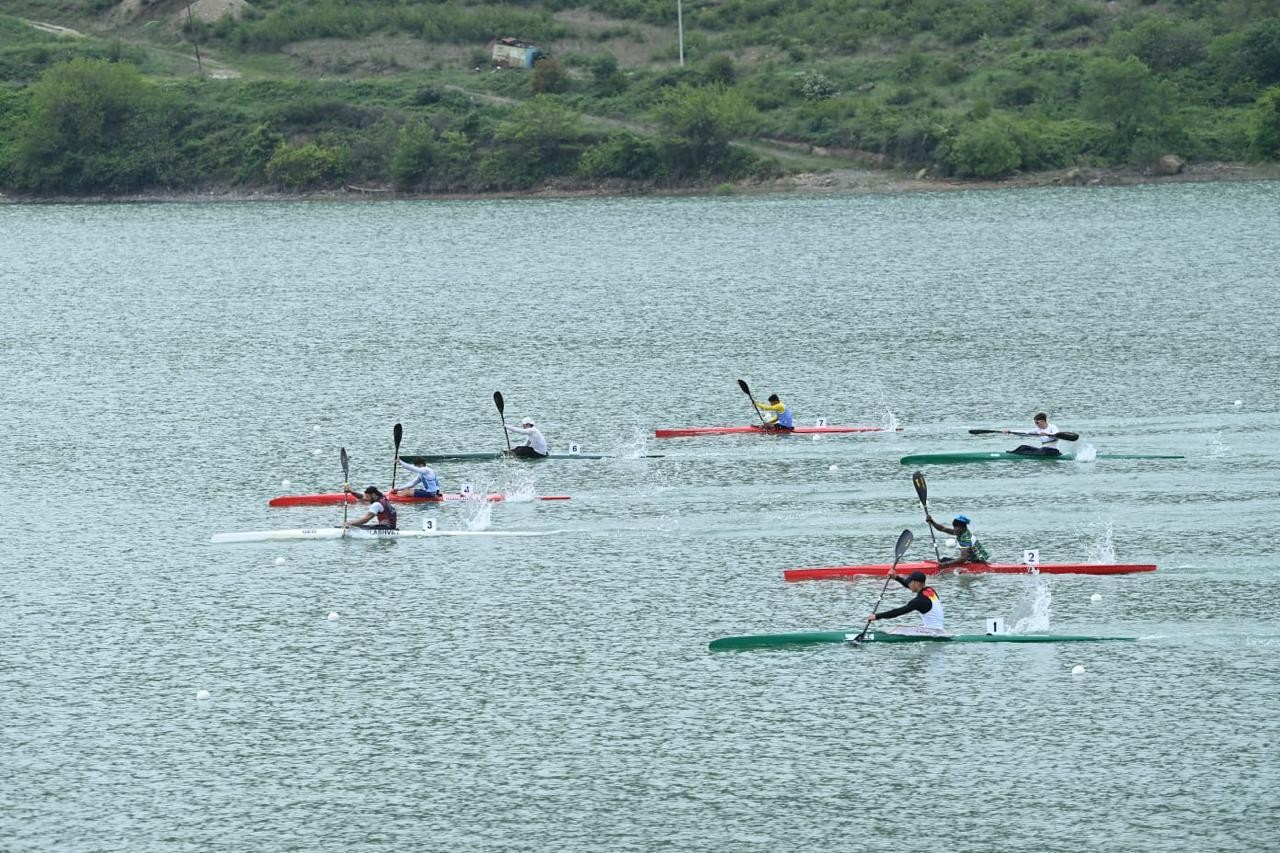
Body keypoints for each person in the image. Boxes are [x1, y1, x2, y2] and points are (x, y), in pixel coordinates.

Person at [865, 569, 945, 635]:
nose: (909, 584)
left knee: (897, 630)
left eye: (910, 582)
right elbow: (908, 585)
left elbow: (898, 612)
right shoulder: (930, 591)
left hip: (933, 632)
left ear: (916, 583)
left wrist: (877, 616)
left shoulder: (919, 602)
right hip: (937, 630)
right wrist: (896, 577)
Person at [925, 513, 990, 566]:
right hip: (974, 559)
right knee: (944, 559)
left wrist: (946, 564)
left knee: (945, 560)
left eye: (957, 527)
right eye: (954, 527)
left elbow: (964, 558)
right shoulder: (961, 532)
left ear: (963, 528)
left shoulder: (965, 539)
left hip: (977, 562)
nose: (955, 529)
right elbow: (942, 529)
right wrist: (932, 522)